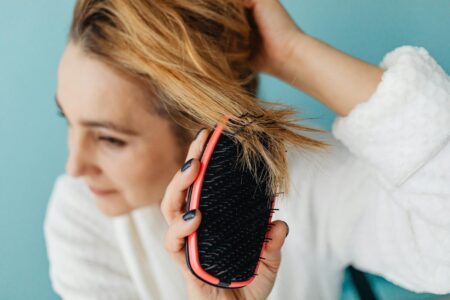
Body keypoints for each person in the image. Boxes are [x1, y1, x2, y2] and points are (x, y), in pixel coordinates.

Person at [44, 0, 450, 299]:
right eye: (69, 121)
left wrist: (293, 54)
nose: (74, 166)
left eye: (109, 139)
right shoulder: (81, 216)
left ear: (202, 131)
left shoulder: (313, 184)